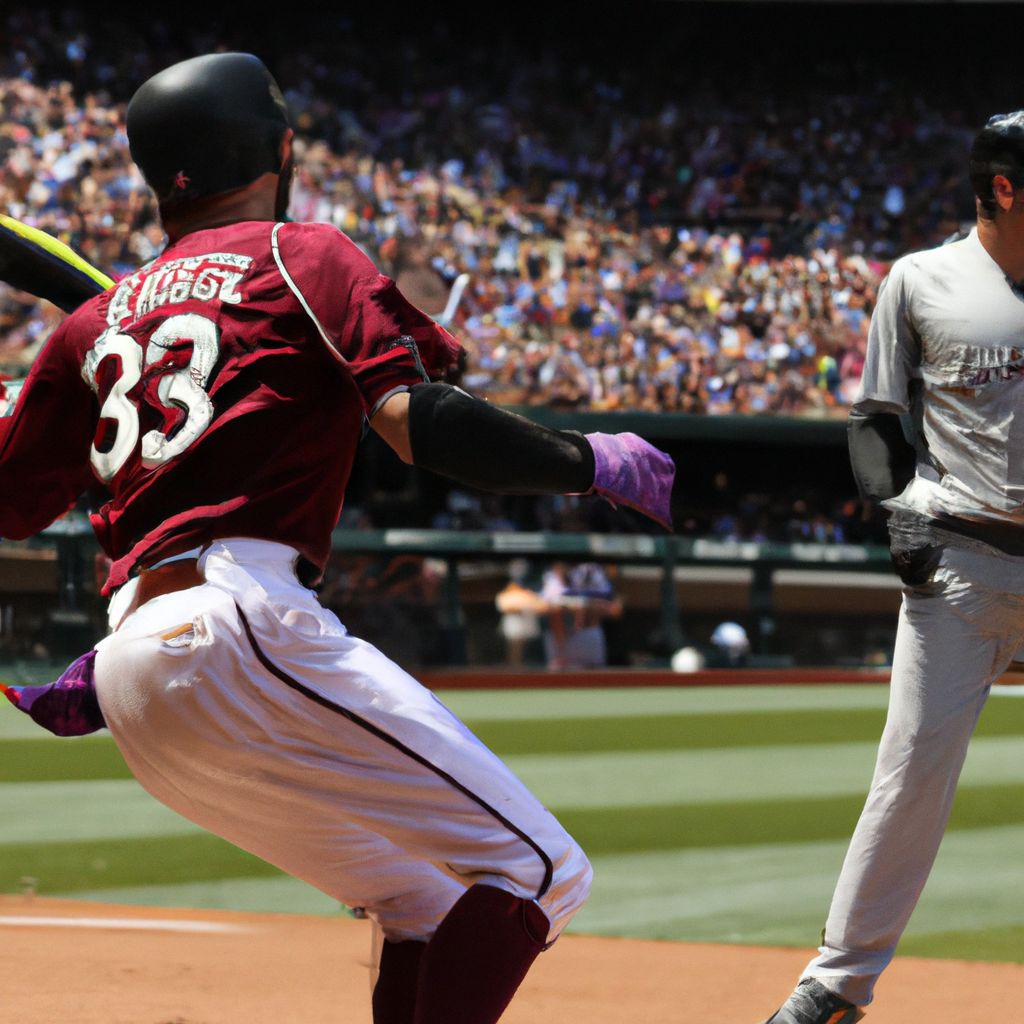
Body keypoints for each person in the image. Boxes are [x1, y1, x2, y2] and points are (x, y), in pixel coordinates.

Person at [0, 54, 674, 1024]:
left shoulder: (96, 324)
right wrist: (590, 460)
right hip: (236, 619)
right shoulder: (299, 253)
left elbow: (10, 499)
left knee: (424, 901)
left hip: (130, 679)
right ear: (279, 147)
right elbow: (417, 421)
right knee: (539, 869)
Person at [758, 111, 1024, 1024]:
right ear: (1003, 186)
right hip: (962, 561)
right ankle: (836, 984)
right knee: (910, 773)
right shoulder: (920, 280)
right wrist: (892, 507)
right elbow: (875, 420)